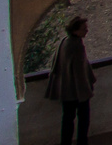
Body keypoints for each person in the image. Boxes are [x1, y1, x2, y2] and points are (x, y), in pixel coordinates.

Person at [43, 15, 95, 145]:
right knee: (83, 118)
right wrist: (87, 89)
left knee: (67, 118)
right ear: (75, 31)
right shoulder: (77, 46)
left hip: (66, 90)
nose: (86, 31)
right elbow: (80, 71)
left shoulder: (64, 41)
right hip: (77, 92)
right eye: (84, 29)